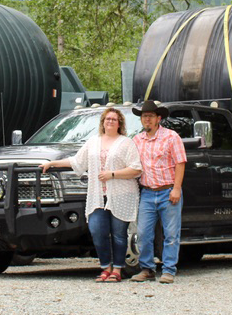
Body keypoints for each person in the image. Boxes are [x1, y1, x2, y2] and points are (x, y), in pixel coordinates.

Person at [41, 107, 141, 282]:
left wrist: (112, 174)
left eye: (114, 119)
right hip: (97, 196)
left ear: (119, 124)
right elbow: (77, 162)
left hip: (121, 194)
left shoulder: (126, 143)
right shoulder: (93, 142)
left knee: (118, 234)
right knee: (97, 230)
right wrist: (53, 163)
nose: (110, 122)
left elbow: (136, 169)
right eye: (107, 119)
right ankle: (105, 267)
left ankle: (117, 269)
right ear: (103, 122)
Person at [130, 100, 186, 284]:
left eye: (150, 116)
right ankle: (147, 269)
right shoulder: (137, 140)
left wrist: (176, 188)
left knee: (171, 233)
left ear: (158, 118)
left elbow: (180, 162)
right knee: (144, 233)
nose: (147, 120)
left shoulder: (171, 137)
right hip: (147, 192)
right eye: (144, 116)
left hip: (168, 191)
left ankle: (169, 270)